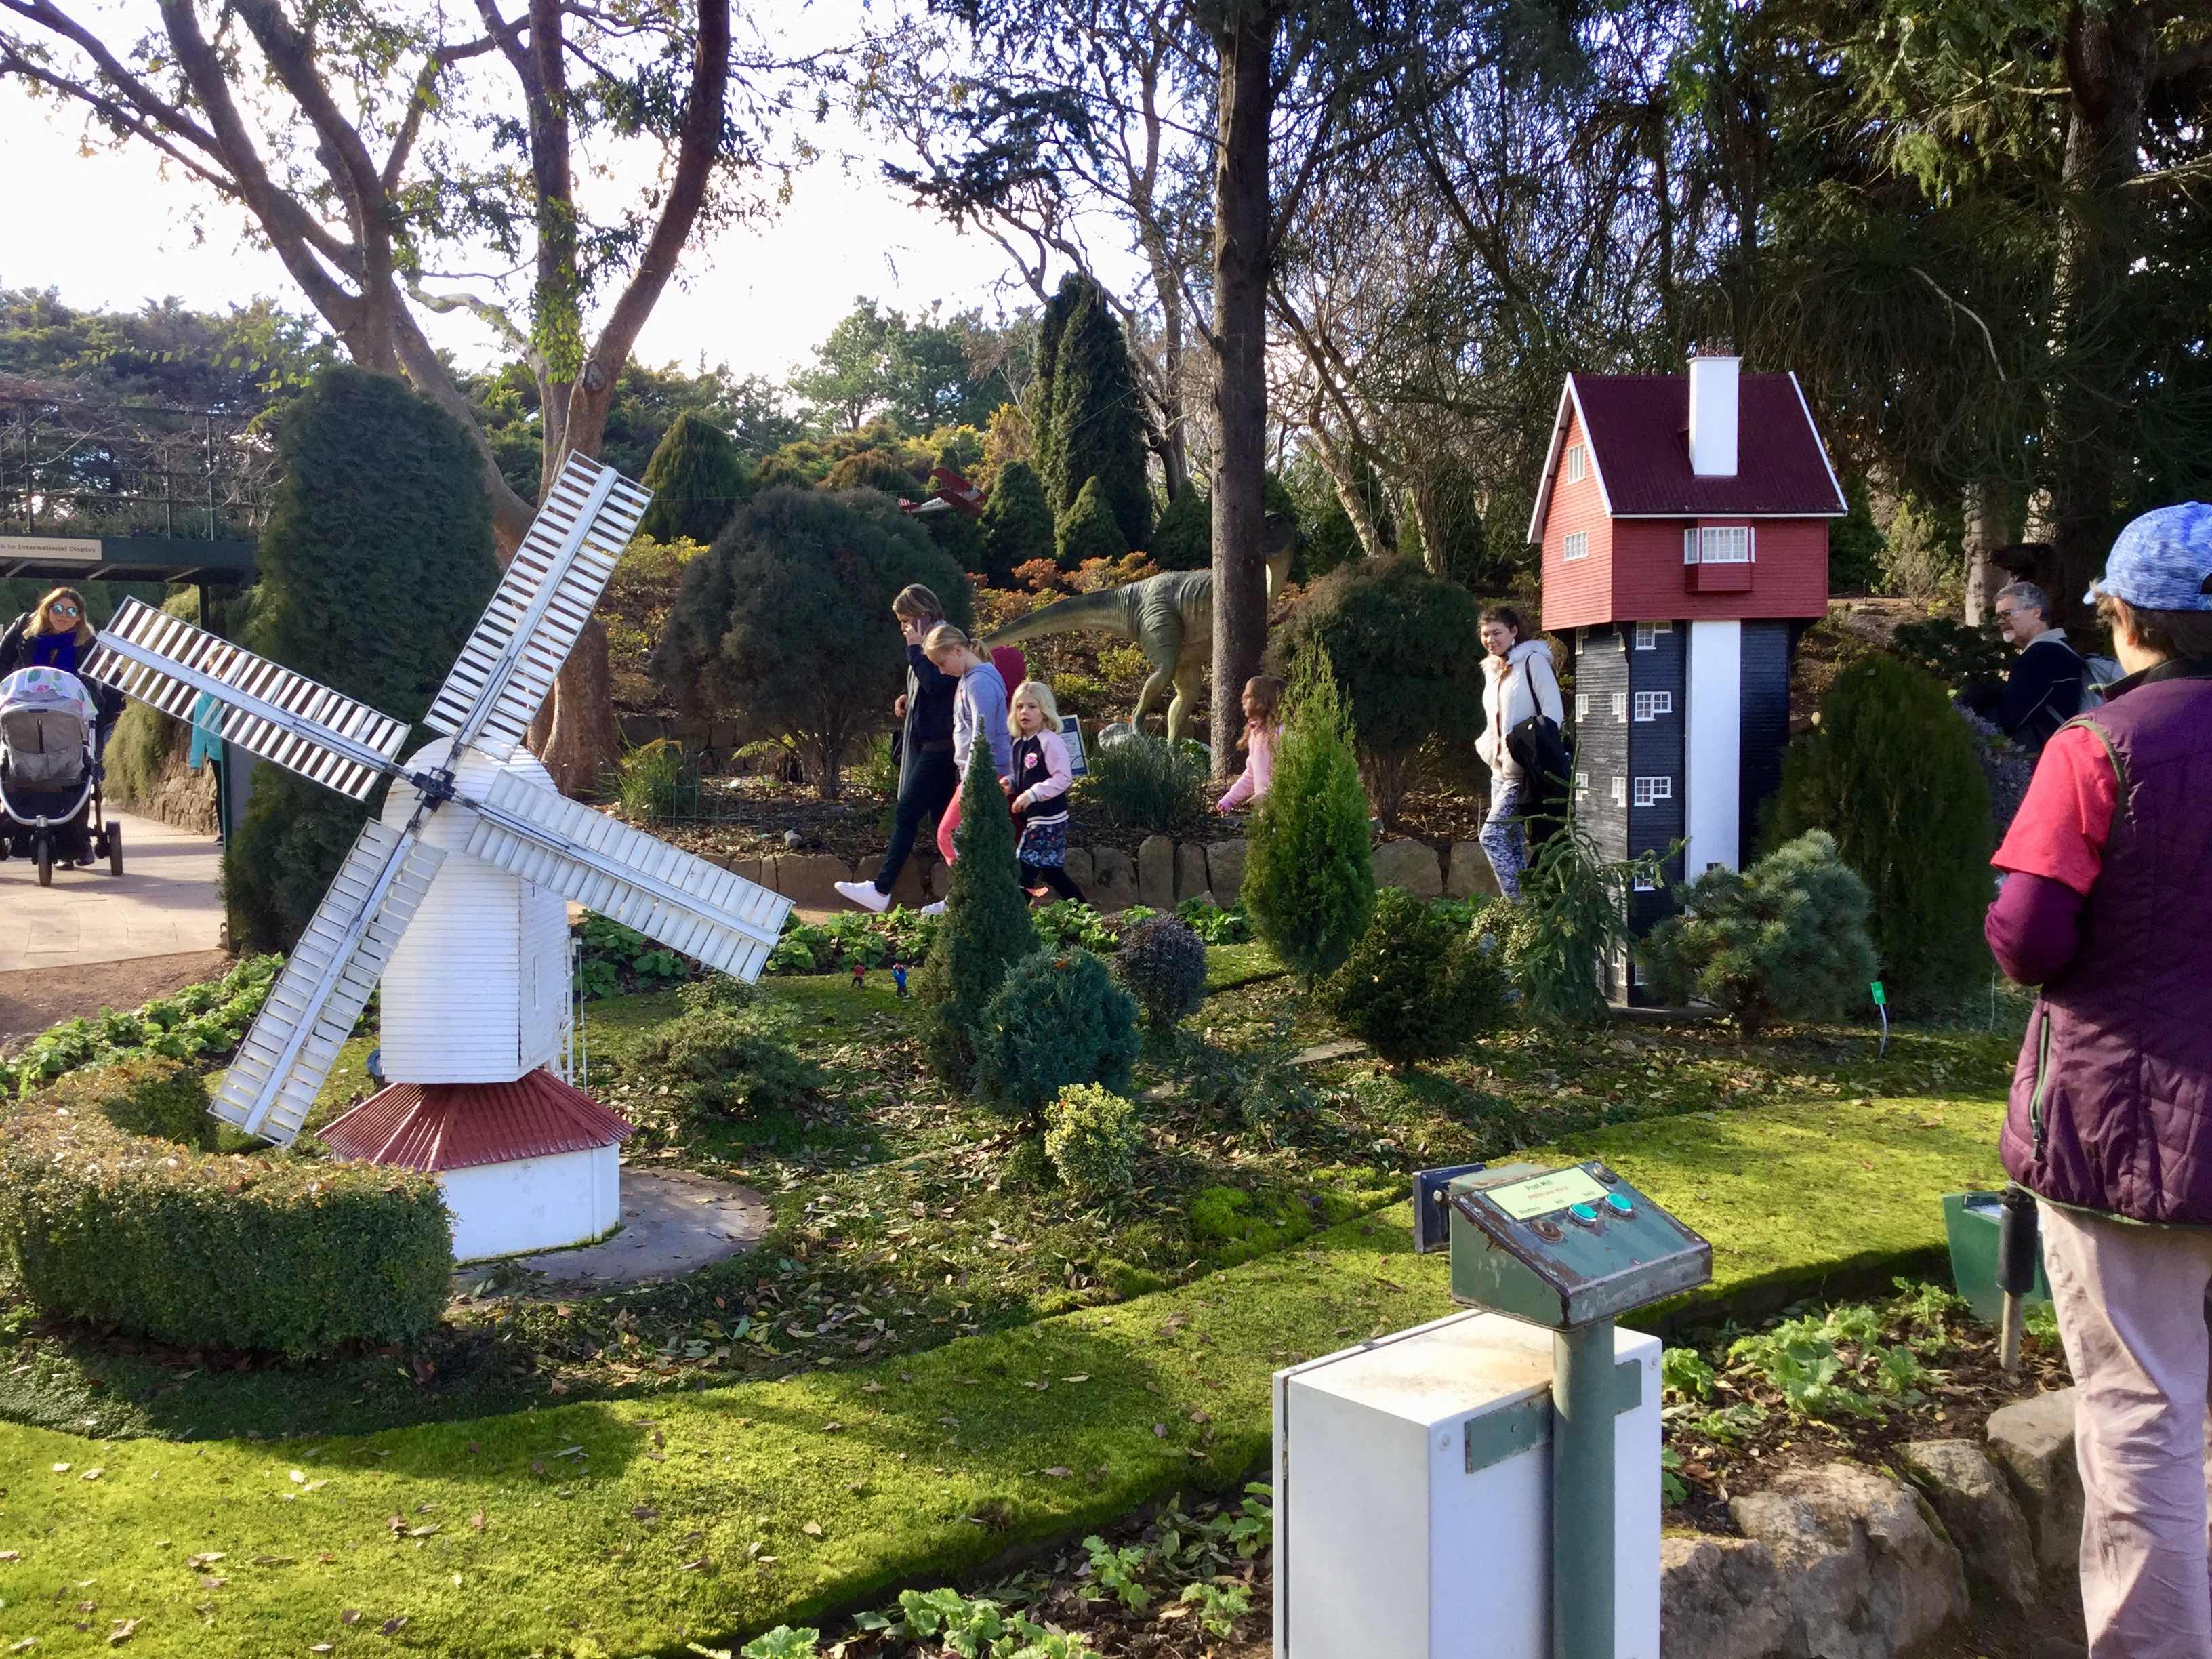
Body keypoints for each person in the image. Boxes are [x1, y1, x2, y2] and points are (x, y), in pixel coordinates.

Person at [1984, 501, 2212, 1659]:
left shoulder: (2098, 746)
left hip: (2136, 1133)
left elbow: (2026, 934)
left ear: (2121, 615)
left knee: (2141, 1417)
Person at [835, 586, 958, 914]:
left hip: (941, 748)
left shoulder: (943, 640)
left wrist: (915, 650)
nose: (903, 628)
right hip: (934, 745)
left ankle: (882, 889)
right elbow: (929, 688)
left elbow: (939, 683)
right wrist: (909, 697)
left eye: (906, 620)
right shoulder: (930, 642)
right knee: (942, 825)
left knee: (907, 814)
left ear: (923, 616)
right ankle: (961, 895)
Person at [0, 586, 123, 865]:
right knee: (15, 768)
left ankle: (75, 841)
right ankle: (17, 825)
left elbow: (100, 678)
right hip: (23, 711)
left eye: (71, 611)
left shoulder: (87, 642)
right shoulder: (24, 629)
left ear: (79, 617)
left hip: (70, 716)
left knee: (78, 770)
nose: (64, 615)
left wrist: (100, 705)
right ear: (47, 609)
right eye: (58, 608)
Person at [918, 622, 1012, 914]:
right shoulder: (971, 678)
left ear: (958, 650)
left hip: (983, 774)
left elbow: (982, 737)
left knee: (948, 834)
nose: (941, 671)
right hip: (980, 772)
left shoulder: (979, 683)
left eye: (942, 663)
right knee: (975, 841)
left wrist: (971, 780)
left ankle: (967, 898)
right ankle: (972, 898)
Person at [1475, 605, 1562, 901]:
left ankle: (1518, 905)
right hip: (1498, 771)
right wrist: (1487, 746)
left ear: (1513, 631)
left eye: (1497, 633)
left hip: (1524, 771)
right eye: (1485, 634)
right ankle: (1527, 902)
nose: (1490, 640)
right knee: (1511, 840)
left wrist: (1531, 753)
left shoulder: (1533, 661)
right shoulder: (1493, 669)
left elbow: (1553, 715)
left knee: (1492, 836)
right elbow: (1494, 719)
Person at [1959, 580, 2087, 756]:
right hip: (2072, 753)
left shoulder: (2041, 654)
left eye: (2008, 614)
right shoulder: (2061, 649)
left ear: (2036, 612)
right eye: (1999, 617)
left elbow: (2007, 721)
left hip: (2051, 760)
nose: (2002, 621)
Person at [1006, 680, 1086, 904]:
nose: (1025, 712)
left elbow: (1063, 778)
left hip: (1049, 817)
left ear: (1045, 711)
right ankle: (1085, 911)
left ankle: (1015, 914)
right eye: (1020, 706)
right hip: (1033, 816)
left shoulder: (1050, 742)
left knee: (1024, 867)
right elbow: (1018, 774)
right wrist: (1009, 783)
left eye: (1032, 706)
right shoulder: (1019, 743)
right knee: (1052, 872)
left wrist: (1032, 794)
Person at [1214, 675, 1282, 815]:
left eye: (1248, 696)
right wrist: (1229, 799)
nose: (1243, 701)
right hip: (1266, 810)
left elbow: (1286, 772)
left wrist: (1266, 795)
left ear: (1263, 701)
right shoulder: (1255, 732)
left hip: (1285, 808)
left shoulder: (1281, 733)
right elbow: (1251, 773)